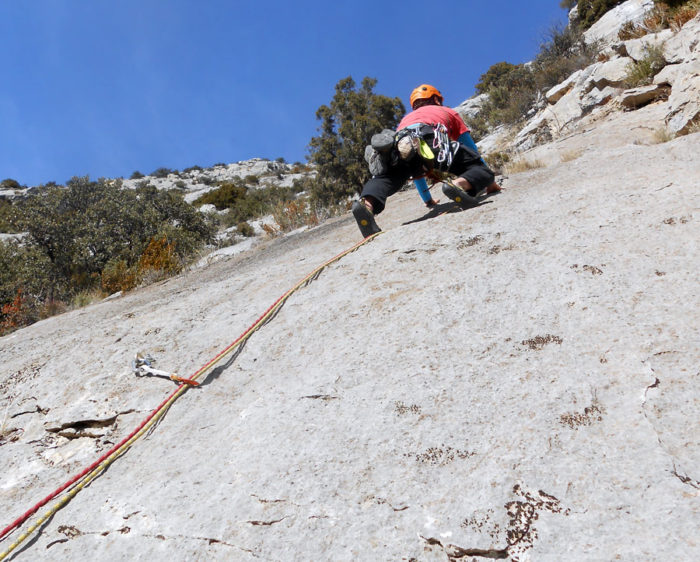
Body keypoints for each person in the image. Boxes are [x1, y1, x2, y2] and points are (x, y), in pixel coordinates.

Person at [352, 84, 501, 237]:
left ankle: (367, 205)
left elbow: (417, 172)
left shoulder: (405, 120)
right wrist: (490, 183)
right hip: (430, 139)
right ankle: (458, 185)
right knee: (479, 168)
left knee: (388, 177)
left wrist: (428, 201)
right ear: (436, 99)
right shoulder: (446, 111)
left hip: (400, 143)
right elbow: (471, 150)